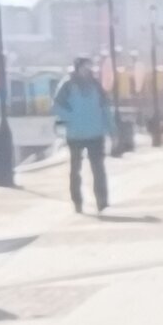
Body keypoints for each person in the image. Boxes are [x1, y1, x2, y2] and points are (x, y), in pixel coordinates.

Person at [48, 56, 112, 214]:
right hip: (75, 134)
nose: (88, 70)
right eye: (85, 67)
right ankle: (77, 202)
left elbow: (105, 108)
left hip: (96, 133)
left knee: (98, 169)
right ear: (77, 68)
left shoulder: (96, 85)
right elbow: (56, 106)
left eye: (89, 67)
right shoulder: (67, 85)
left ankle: (102, 202)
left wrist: (111, 129)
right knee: (75, 170)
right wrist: (71, 118)